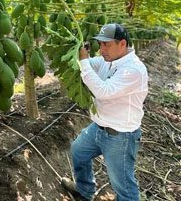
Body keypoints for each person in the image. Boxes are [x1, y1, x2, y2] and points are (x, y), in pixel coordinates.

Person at [61, 23, 148, 201]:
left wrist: (84, 61)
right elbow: (90, 64)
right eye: (100, 44)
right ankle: (84, 190)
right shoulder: (108, 60)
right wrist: (77, 53)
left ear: (122, 44)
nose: (101, 49)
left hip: (120, 135)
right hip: (98, 127)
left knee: (123, 185)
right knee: (79, 151)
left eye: (106, 44)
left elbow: (104, 91)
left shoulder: (133, 69)